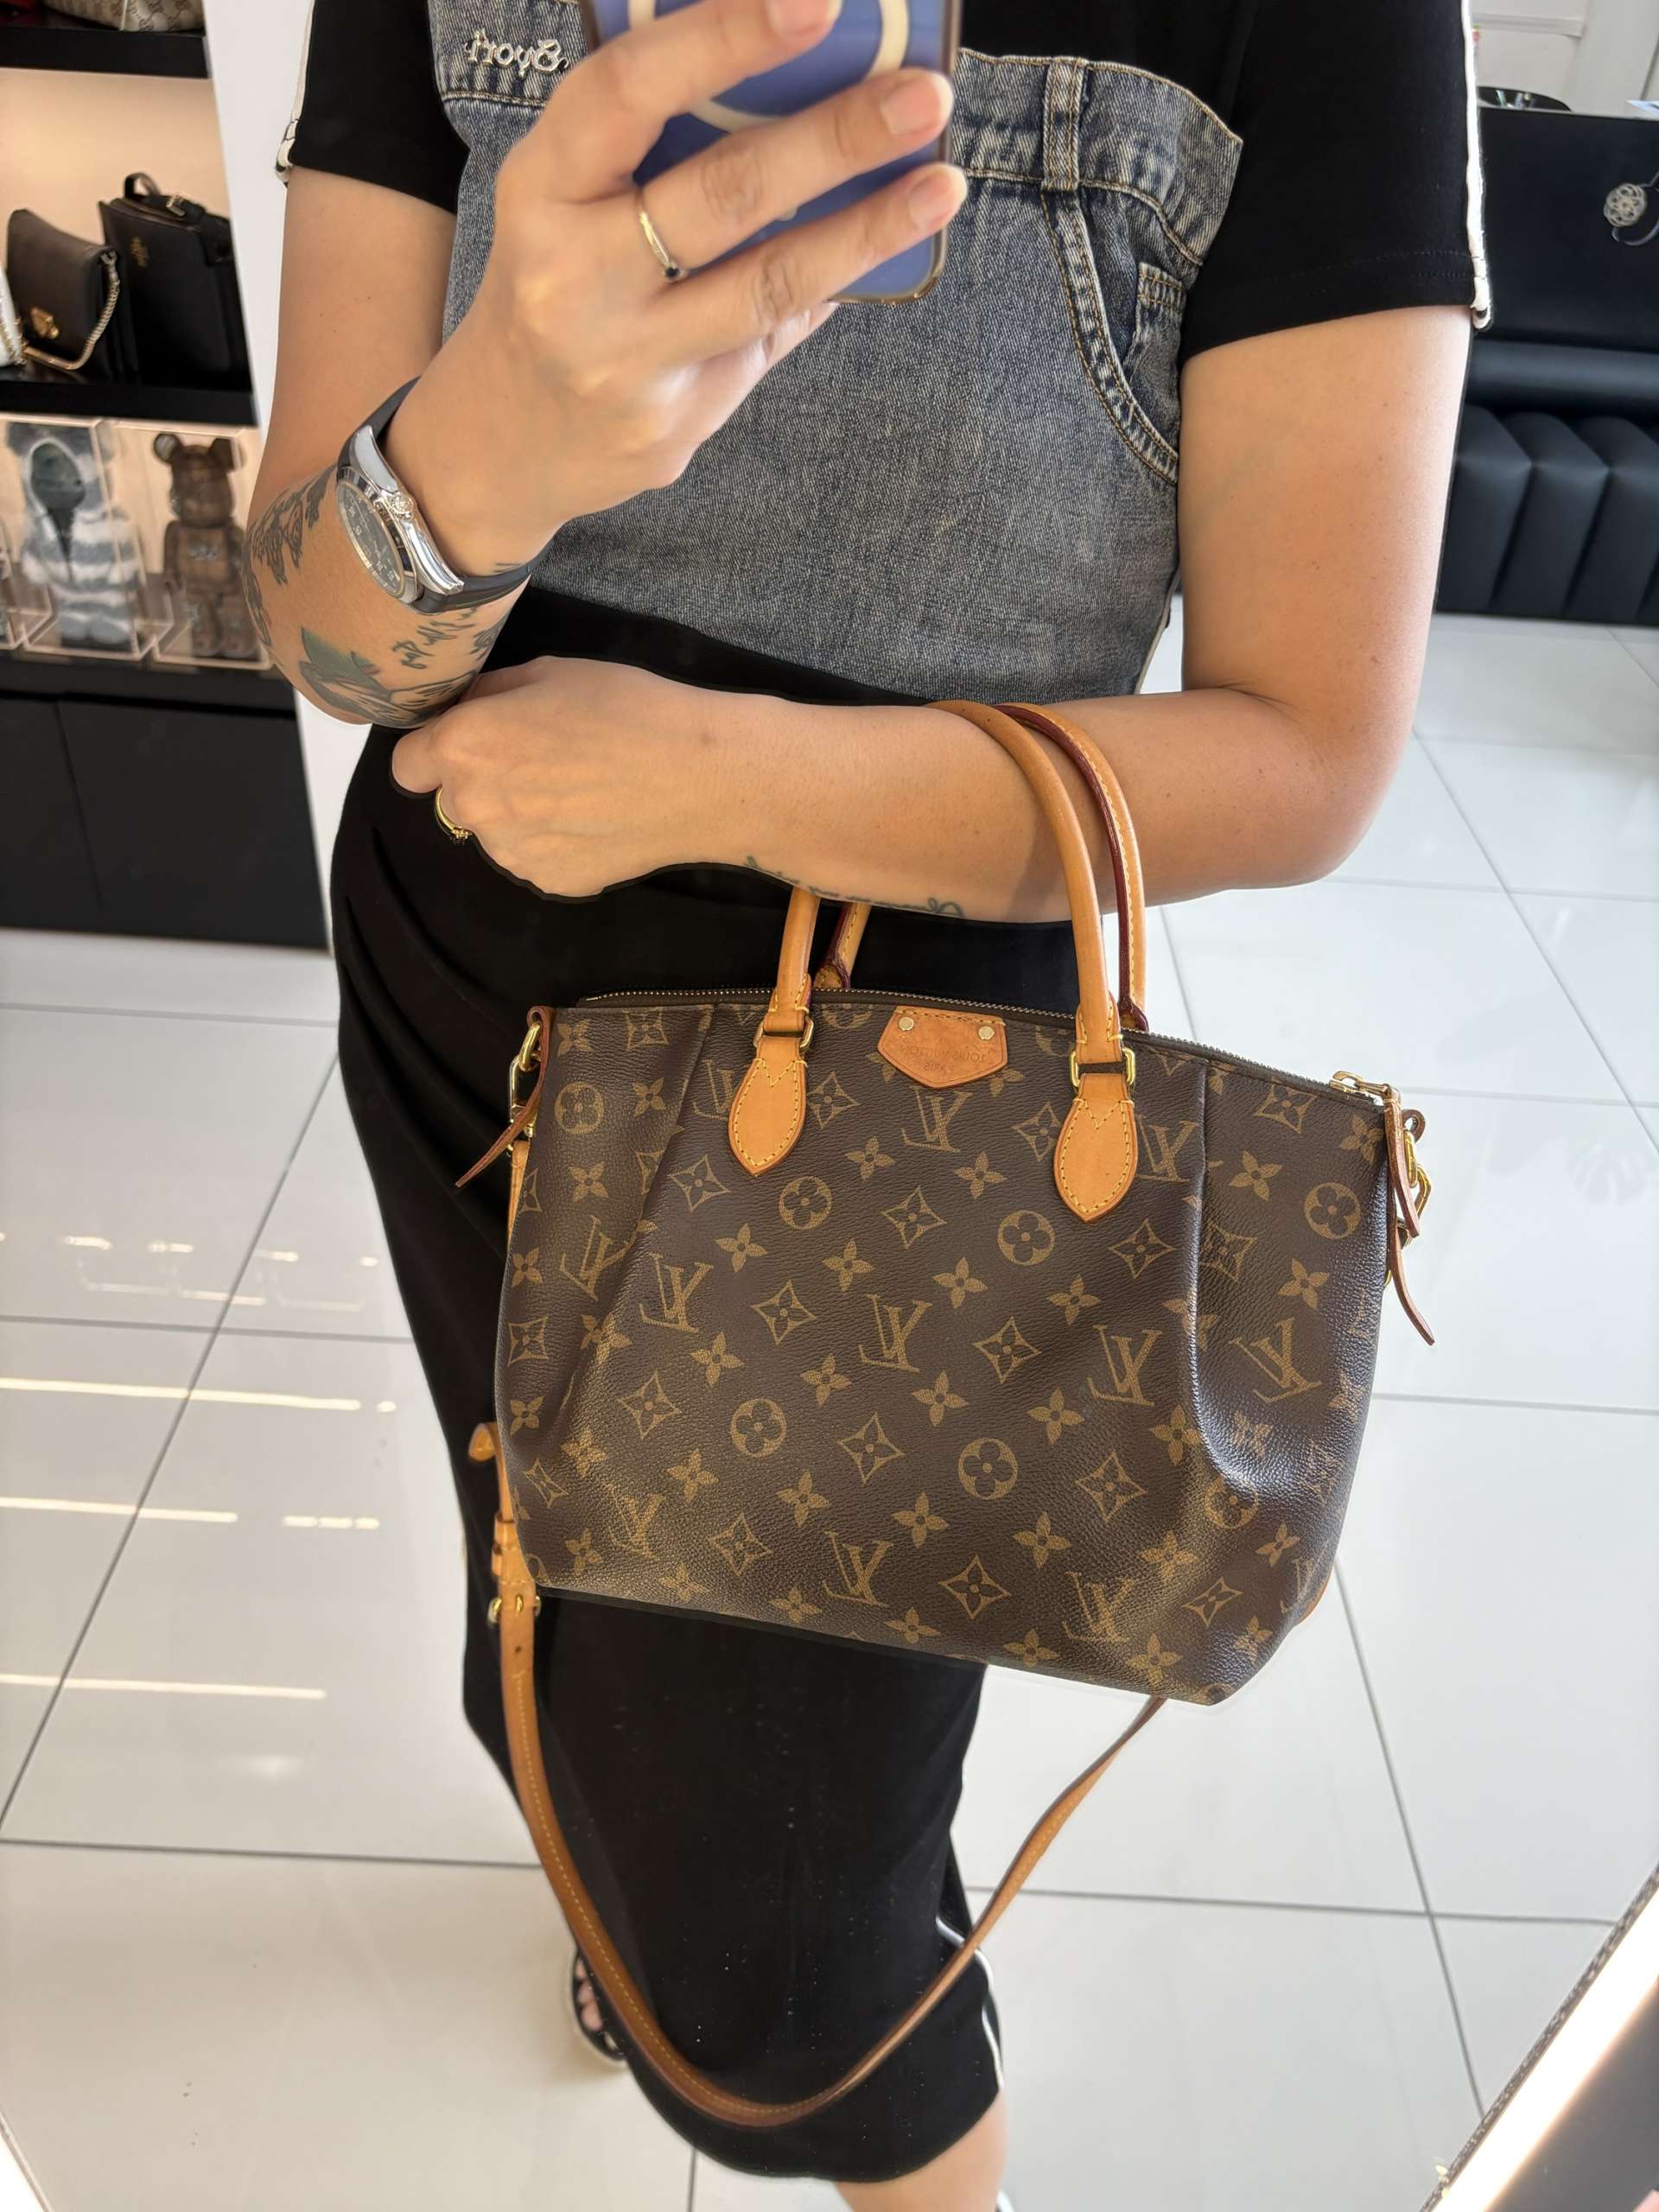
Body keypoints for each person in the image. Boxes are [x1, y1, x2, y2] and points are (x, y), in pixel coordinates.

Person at [251, 2, 1486, 2202]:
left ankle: (763, 2006)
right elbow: (324, 631)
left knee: (802, 1953)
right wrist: (488, 455)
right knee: (539, 1609)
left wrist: (716, 781)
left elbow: (1305, 743)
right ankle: (628, 1889)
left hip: (895, 1086)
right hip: (465, 970)